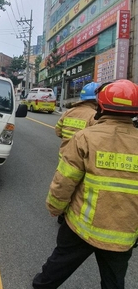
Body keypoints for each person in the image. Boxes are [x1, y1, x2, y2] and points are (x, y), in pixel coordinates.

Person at [32, 79, 138, 289]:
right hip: (122, 234)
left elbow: (64, 182)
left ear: (100, 107)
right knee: (114, 288)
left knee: (60, 262)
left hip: (82, 224)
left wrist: (55, 208)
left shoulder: (86, 138)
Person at [54, 81, 99, 224]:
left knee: (64, 184)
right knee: (78, 188)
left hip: (64, 157)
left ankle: (59, 210)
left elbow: (58, 131)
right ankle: (70, 215)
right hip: (81, 161)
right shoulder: (94, 117)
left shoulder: (68, 112)